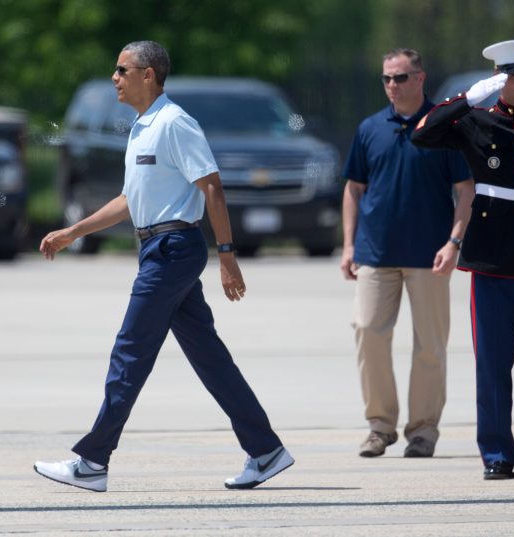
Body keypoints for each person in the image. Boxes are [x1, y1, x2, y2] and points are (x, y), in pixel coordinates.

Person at [33, 41, 294, 492]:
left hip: (174, 248)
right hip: (158, 248)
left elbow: (212, 187)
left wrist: (227, 257)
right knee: (209, 358)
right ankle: (265, 450)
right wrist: (72, 232)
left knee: (130, 352)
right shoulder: (140, 128)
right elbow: (129, 200)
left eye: (121, 69)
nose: (114, 77)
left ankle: (93, 461)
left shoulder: (174, 123)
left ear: (148, 74)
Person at [412, 39, 514, 480]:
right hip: (491, 256)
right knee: (493, 362)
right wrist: (468, 97)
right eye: (513, 77)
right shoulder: (475, 122)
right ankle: (496, 454)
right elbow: (423, 133)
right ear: (499, 79)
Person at [341, 48, 474, 459]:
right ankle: (380, 427)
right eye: (386, 79)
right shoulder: (370, 129)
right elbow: (353, 188)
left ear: (421, 78)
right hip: (375, 253)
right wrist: (348, 244)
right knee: (367, 331)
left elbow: (466, 191)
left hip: (430, 256)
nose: (392, 86)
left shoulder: (444, 127)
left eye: (400, 77)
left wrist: (454, 242)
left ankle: (423, 431)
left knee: (430, 346)